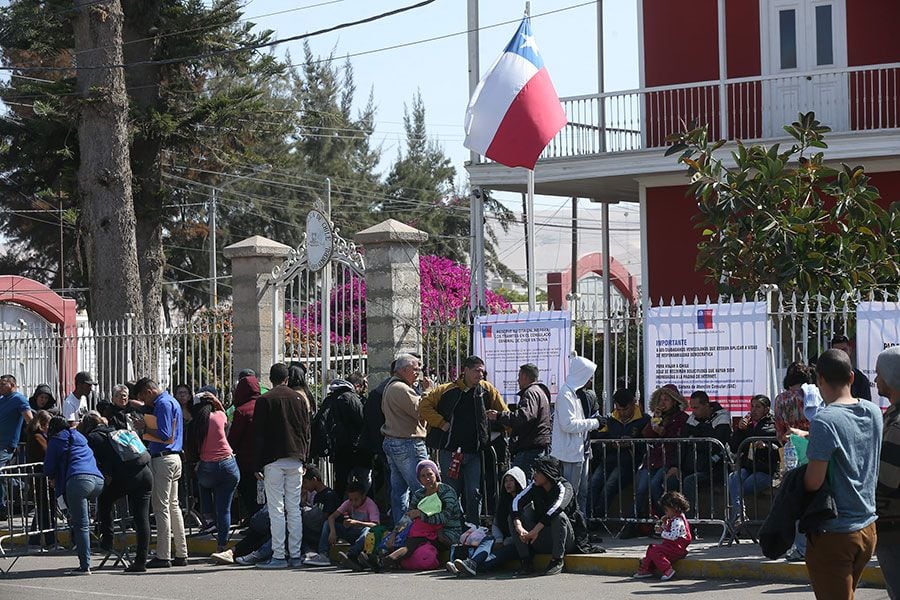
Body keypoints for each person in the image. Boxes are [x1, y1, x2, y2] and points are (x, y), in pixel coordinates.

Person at [797, 349, 882, 600]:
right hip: (867, 527)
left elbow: (814, 481)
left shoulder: (825, 421)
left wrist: (794, 477)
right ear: (852, 378)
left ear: (819, 380)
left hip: (835, 532)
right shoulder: (873, 411)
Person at [421, 355, 508, 525]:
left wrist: (506, 427)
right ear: (465, 371)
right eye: (476, 371)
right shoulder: (447, 390)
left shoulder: (487, 390)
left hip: (474, 453)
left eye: (482, 372)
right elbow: (424, 406)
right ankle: (456, 527)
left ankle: (474, 527)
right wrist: (441, 423)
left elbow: (502, 411)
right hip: (450, 452)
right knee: (452, 492)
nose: (480, 375)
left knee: (474, 492)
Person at [253, 362, 311, 569]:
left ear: (271, 379)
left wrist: (257, 464)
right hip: (295, 458)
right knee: (294, 509)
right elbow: (306, 431)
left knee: (276, 509)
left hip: (273, 460)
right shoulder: (299, 399)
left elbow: (258, 435)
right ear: (287, 379)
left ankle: (279, 555)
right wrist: (305, 459)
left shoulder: (265, 400)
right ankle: (295, 554)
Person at [79, 411, 152, 573]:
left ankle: (108, 540)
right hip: (146, 473)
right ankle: (140, 561)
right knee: (142, 518)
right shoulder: (116, 430)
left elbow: (102, 461)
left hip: (127, 475)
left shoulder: (94, 437)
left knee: (105, 499)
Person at [363, 459, 463, 572]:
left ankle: (383, 561)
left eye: (430, 474)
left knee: (415, 539)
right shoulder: (419, 494)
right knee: (410, 537)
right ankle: (378, 559)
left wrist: (421, 515)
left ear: (436, 474)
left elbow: (444, 517)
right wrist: (394, 534)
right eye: (423, 476)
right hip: (425, 531)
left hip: (446, 533)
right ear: (419, 479)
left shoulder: (447, 492)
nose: (427, 478)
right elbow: (408, 516)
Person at [134, 377, 188, 569]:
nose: (144, 402)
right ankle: (181, 552)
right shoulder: (171, 401)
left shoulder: (162, 404)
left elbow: (165, 435)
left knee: (161, 507)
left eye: (143, 397)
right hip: (175, 458)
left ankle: (163, 555)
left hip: (163, 458)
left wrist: (144, 428)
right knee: (173, 506)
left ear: (148, 391)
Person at [43, 415, 104, 575]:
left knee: (81, 525)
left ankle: (85, 566)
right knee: (87, 521)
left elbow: (48, 468)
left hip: (78, 481)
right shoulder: (80, 437)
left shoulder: (56, 440)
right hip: (98, 481)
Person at [630, 385, 688, 533]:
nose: (663, 403)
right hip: (652, 460)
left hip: (668, 460)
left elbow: (678, 440)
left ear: (674, 401)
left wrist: (663, 432)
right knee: (641, 488)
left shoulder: (682, 418)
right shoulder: (657, 416)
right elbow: (646, 435)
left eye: (666, 400)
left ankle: (666, 520)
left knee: (657, 485)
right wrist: (654, 422)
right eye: (660, 399)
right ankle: (633, 523)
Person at [450, 466, 527, 577]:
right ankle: (470, 563)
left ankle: (467, 566)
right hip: (501, 542)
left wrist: (505, 542)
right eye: (506, 480)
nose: (508, 484)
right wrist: (499, 540)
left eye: (511, 480)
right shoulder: (504, 502)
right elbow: (496, 523)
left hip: (515, 544)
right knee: (489, 538)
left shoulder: (525, 502)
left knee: (487, 562)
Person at [381, 353, 430, 526]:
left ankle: (400, 529)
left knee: (399, 491)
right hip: (407, 443)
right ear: (403, 369)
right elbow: (421, 410)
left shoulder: (392, 386)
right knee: (424, 487)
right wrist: (427, 392)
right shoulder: (401, 388)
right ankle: (425, 527)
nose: (418, 373)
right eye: (415, 369)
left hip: (395, 442)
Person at [666, 390, 731, 518]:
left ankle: (691, 522)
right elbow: (683, 443)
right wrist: (675, 465)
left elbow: (714, 444)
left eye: (696, 407)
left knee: (690, 481)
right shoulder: (692, 418)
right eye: (692, 408)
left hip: (713, 468)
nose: (693, 411)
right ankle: (672, 521)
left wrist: (695, 436)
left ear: (706, 405)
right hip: (690, 466)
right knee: (671, 480)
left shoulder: (722, 416)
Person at [772, 361, 814, 560]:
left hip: (790, 450)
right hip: (812, 446)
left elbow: (780, 432)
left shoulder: (781, 400)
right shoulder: (813, 395)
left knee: (794, 497)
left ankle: (800, 546)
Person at [510, 455, 577, 576]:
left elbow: (556, 509)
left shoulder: (564, 487)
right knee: (513, 518)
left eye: (538, 472)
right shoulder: (534, 486)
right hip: (541, 537)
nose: (534, 475)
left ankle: (557, 560)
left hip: (565, 539)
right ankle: (526, 561)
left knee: (559, 516)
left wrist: (535, 530)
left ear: (548, 473)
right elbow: (516, 502)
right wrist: (519, 527)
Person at [190, 390, 239, 553]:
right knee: (224, 508)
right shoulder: (219, 416)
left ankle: (208, 517)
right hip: (228, 465)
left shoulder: (194, 423)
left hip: (208, 466)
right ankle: (222, 546)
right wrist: (217, 401)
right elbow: (224, 416)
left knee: (203, 483)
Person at [551, 356, 603, 509]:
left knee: (582, 493)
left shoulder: (575, 394)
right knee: (569, 493)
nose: (591, 380)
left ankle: (580, 526)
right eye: (589, 376)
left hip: (580, 451)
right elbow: (568, 425)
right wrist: (596, 423)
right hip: (569, 454)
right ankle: (569, 527)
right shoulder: (565, 395)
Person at [589, 387, 649, 519]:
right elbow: (599, 437)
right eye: (618, 409)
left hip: (628, 463)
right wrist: (611, 443)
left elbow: (647, 443)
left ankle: (597, 518)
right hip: (608, 459)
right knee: (593, 483)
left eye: (625, 409)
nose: (622, 413)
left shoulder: (644, 420)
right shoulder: (610, 419)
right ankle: (588, 517)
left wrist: (632, 442)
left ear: (634, 403)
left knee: (609, 486)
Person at [488, 363, 551, 475]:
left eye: (519, 376)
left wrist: (499, 416)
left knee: (522, 485)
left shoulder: (530, 393)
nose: (517, 380)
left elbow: (524, 416)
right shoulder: (539, 392)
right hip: (536, 446)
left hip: (529, 449)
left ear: (524, 376)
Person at [727, 394, 777, 526]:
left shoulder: (773, 425)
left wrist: (766, 445)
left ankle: (736, 523)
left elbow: (781, 446)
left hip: (765, 470)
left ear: (766, 410)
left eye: (758, 407)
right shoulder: (748, 424)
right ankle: (739, 516)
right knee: (733, 478)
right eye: (752, 406)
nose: (754, 410)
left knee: (739, 488)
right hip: (747, 466)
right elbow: (733, 446)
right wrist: (739, 430)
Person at [874, 346, 900, 599]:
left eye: (879, 373)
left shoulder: (896, 423)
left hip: (894, 527)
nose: (875, 380)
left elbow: (887, 478)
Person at [310, 480, 380, 569]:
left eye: (356, 500)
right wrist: (333, 531)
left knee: (367, 530)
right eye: (351, 500)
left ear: (363, 496)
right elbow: (332, 517)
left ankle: (352, 554)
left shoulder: (370, 505)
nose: (353, 503)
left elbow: (376, 525)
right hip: (351, 532)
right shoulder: (348, 503)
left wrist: (357, 523)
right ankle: (323, 554)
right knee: (327, 523)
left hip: (364, 537)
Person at [323, 374, 371, 500]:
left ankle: (340, 509)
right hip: (356, 448)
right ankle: (362, 507)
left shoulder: (331, 398)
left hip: (338, 448)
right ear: (357, 386)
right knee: (364, 481)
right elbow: (362, 421)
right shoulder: (351, 398)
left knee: (341, 482)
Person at [633, 490, 692, 581]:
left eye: (666, 510)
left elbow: (674, 536)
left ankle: (667, 569)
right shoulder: (674, 519)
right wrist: (664, 524)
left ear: (674, 508)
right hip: (671, 547)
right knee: (652, 548)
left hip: (677, 548)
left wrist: (662, 532)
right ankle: (646, 569)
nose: (665, 513)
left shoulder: (677, 521)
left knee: (655, 550)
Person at [228, 374, 261, 519]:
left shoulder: (241, 410)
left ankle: (252, 521)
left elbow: (234, 437)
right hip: (267, 458)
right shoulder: (265, 403)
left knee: (248, 494)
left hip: (246, 460)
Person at [0, 374, 33, 519]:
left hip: (7, 444)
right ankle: (21, 487)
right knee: (4, 475)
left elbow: (30, 420)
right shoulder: (1, 400)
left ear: (12, 385)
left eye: (3, 384)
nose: (0, 387)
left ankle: (2, 506)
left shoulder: (19, 399)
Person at [26, 410, 55, 548]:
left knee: (43, 509)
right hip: (40, 479)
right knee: (45, 509)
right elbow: (46, 453)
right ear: (43, 424)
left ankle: (34, 538)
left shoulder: (42, 436)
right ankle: (50, 540)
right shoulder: (37, 437)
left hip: (43, 478)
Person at [831, 334, 872, 401]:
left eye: (844, 350)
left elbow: (866, 406)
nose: (841, 354)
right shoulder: (825, 376)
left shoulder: (860, 379)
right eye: (837, 351)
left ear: (850, 350)